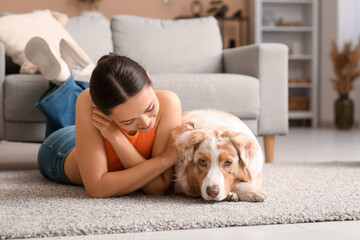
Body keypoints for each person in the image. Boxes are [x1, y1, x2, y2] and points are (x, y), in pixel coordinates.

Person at [25, 37, 193, 198]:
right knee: (77, 104)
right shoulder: (89, 100)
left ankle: (68, 77)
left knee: (89, 105)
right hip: (60, 150)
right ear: (102, 111)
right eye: (128, 121)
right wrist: (165, 159)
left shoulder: (169, 101)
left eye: (150, 108)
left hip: (84, 135)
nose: (146, 122)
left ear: (148, 77)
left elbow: (157, 187)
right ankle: (68, 79)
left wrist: (116, 136)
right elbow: (97, 189)